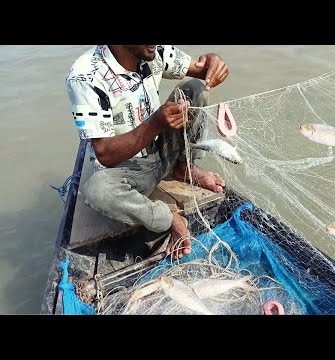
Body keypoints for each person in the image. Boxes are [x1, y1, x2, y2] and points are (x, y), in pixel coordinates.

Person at [66, 45, 229, 260]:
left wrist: (213, 64)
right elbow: (105, 154)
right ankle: (169, 219)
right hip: (129, 170)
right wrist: (155, 124)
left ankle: (183, 167)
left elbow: (201, 69)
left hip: (160, 149)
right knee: (98, 190)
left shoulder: (153, 51)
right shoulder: (84, 76)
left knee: (195, 89)